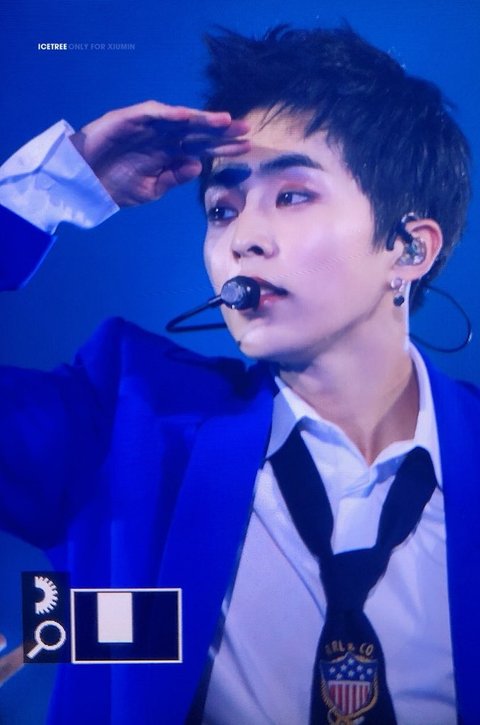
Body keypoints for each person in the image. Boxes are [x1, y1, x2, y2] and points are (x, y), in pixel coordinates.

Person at [0, 25, 479, 725]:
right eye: (222, 209)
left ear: (409, 248)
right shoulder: (125, 420)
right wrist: (50, 188)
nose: (241, 239)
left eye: (292, 196)